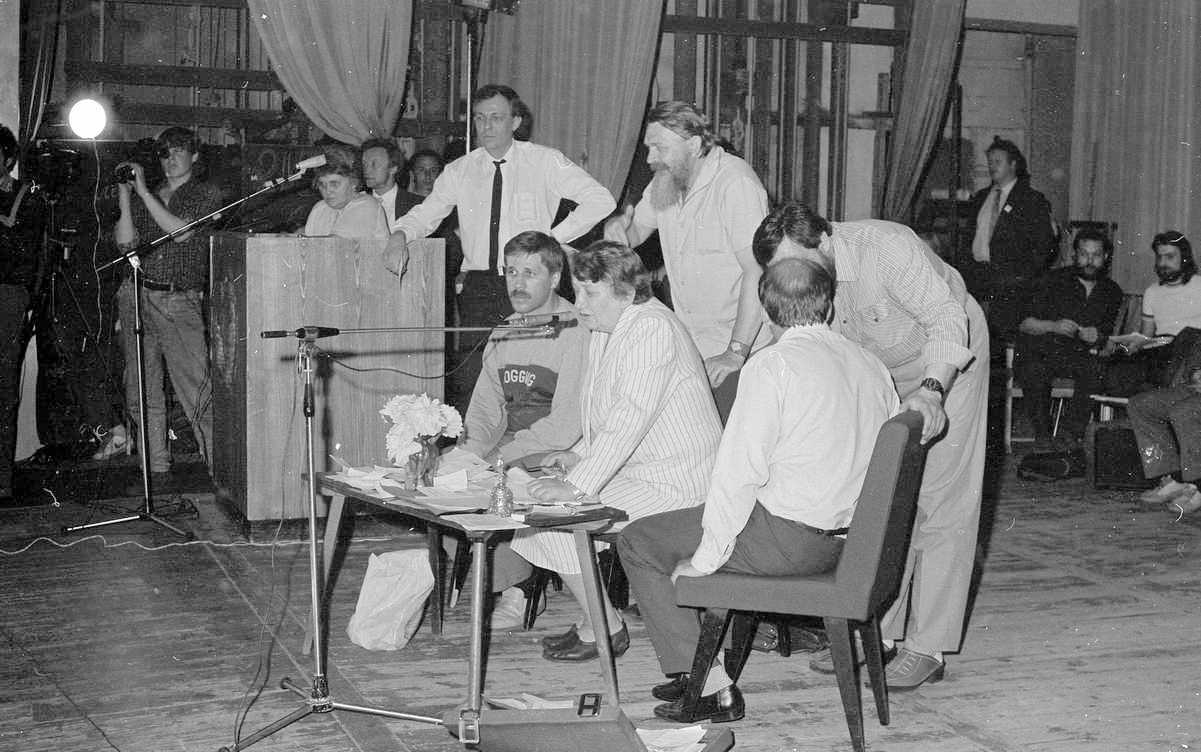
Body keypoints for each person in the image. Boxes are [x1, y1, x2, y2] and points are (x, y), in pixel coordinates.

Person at [618, 258, 900, 723]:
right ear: (828, 307)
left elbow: (738, 474)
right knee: (707, 523)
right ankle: (698, 666)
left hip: (788, 544)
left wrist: (704, 561)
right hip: (853, 548)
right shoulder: (872, 365)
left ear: (766, 311)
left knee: (639, 540)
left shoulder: (772, 365)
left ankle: (710, 686)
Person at [752, 202, 989, 691]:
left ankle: (928, 646)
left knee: (941, 498)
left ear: (824, 241)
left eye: (798, 265)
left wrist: (933, 391)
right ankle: (876, 633)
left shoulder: (885, 248)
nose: (794, 280)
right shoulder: (804, 271)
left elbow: (946, 317)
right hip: (882, 373)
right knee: (881, 498)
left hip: (947, 361)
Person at [514, 240, 721, 662]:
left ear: (626, 292)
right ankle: (601, 624)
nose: (579, 303)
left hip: (677, 483)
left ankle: (603, 628)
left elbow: (631, 417)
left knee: (555, 520)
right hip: (641, 472)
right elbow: (605, 414)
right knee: (539, 519)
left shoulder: (652, 328)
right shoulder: (609, 327)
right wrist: (579, 454)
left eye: (590, 293)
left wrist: (577, 485)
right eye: (577, 291)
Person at [386, 84, 615, 410]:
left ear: (515, 122)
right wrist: (399, 235)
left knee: (531, 379)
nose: (487, 126)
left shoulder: (544, 161)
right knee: (476, 380)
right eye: (480, 118)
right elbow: (426, 214)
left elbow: (601, 200)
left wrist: (553, 239)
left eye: (496, 117)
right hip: (479, 288)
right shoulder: (461, 170)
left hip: (530, 283)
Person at [452, 230, 588, 630]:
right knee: (450, 476)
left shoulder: (576, 330)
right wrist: (469, 452)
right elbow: (485, 408)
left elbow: (566, 425)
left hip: (560, 448)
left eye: (530, 273)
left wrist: (500, 457)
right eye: (512, 271)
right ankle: (470, 578)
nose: (518, 283)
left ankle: (520, 588)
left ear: (555, 277)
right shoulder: (506, 330)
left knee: (507, 485)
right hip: (513, 445)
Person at [604, 101, 768, 386]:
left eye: (660, 148)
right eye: (649, 148)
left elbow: (758, 271)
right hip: (695, 347)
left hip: (743, 350)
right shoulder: (666, 178)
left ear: (693, 145)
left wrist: (735, 353)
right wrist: (617, 227)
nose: (650, 158)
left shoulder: (735, 183)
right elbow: (636, 231)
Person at [113, 127, 222, 488]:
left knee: (195, 389)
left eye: (178, 151)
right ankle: (155, 469)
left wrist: (144, 192)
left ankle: (220, 470)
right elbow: (126, 243)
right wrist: (126, 196)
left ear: (195, 156)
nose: (170, 159)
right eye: (164, 153)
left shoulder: (205, 193)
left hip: (177, 299)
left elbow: (182, 232)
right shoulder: (151, 194)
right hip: (137, 295)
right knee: (141, 389)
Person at [1014, 228, 1123, 450]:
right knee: (1033, 367)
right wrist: (1053, 326)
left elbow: (1111, 340)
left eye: (1096, 255)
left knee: (1096, 368)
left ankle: (1069, 436)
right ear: (1074, 255)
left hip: (1080, 356)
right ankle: (1043, 437)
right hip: (1044, 351)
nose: (1089, 261)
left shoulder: (1112, 291)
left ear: (1105, 257)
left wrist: (1099, 336)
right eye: (1084, 254)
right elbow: (1024, 323)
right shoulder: (1052, 280)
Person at [968, 136, 1055, 341]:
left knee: (1006, 340)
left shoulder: (1031, 200)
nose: (992, 166)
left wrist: (1022, 278)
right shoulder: (981, 198)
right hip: (981, 280)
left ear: (1013, 164)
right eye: (990, 162)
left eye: (997, 161)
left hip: (1013, 287)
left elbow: (1045, 246)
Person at [0, 123, 44, 504]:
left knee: (3, 390)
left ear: (9, 159)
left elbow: (23, 255)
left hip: (7, 297)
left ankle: (2, 481)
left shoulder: (25, 198)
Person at [1105, 232, 1201, 394]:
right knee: (1118, 365)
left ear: (1184, 258)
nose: (1163, 263)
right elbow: (1146, 335)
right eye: (1159, 257)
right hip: (1162, 351)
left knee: (1188, 335)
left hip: (1192, 350)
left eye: (1169, 257)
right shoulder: (1152, 292)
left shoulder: (1199, 285)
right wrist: (1132, 345)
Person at [302, 144, 389, 239]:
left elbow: (334, 243)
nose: (328, 191)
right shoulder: (320, 208)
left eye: (334, 184)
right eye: (322, 185)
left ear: (353, 182)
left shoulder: (367, 205)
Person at [361, 137, 423, 228]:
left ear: (393, 168)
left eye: (374, 164)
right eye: (364, 164)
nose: (367, 170)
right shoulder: (355, 202)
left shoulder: (418, 205)